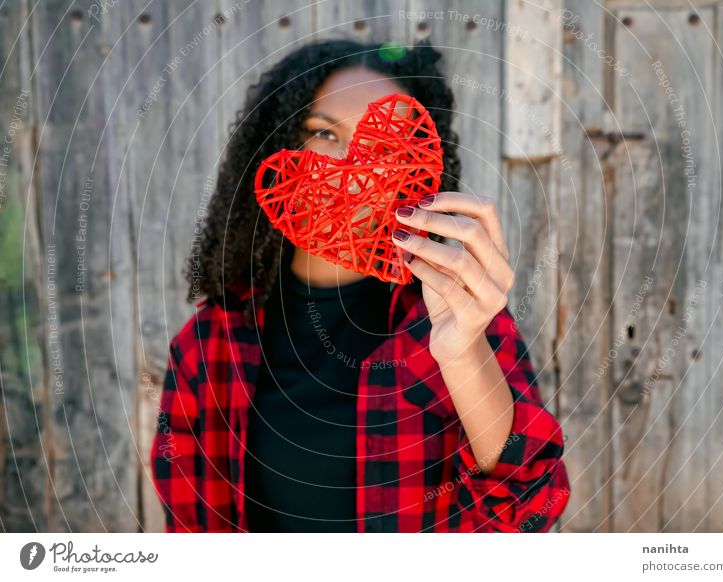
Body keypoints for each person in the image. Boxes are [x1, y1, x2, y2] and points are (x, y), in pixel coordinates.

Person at [150, 39, 570, 533]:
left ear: (415, 168)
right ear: (276, 147)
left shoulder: (462, 314)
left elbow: (532, 511)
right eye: (324, 134)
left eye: (383, 147)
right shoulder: (210, 346)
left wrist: (462, 354)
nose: (352, 174)